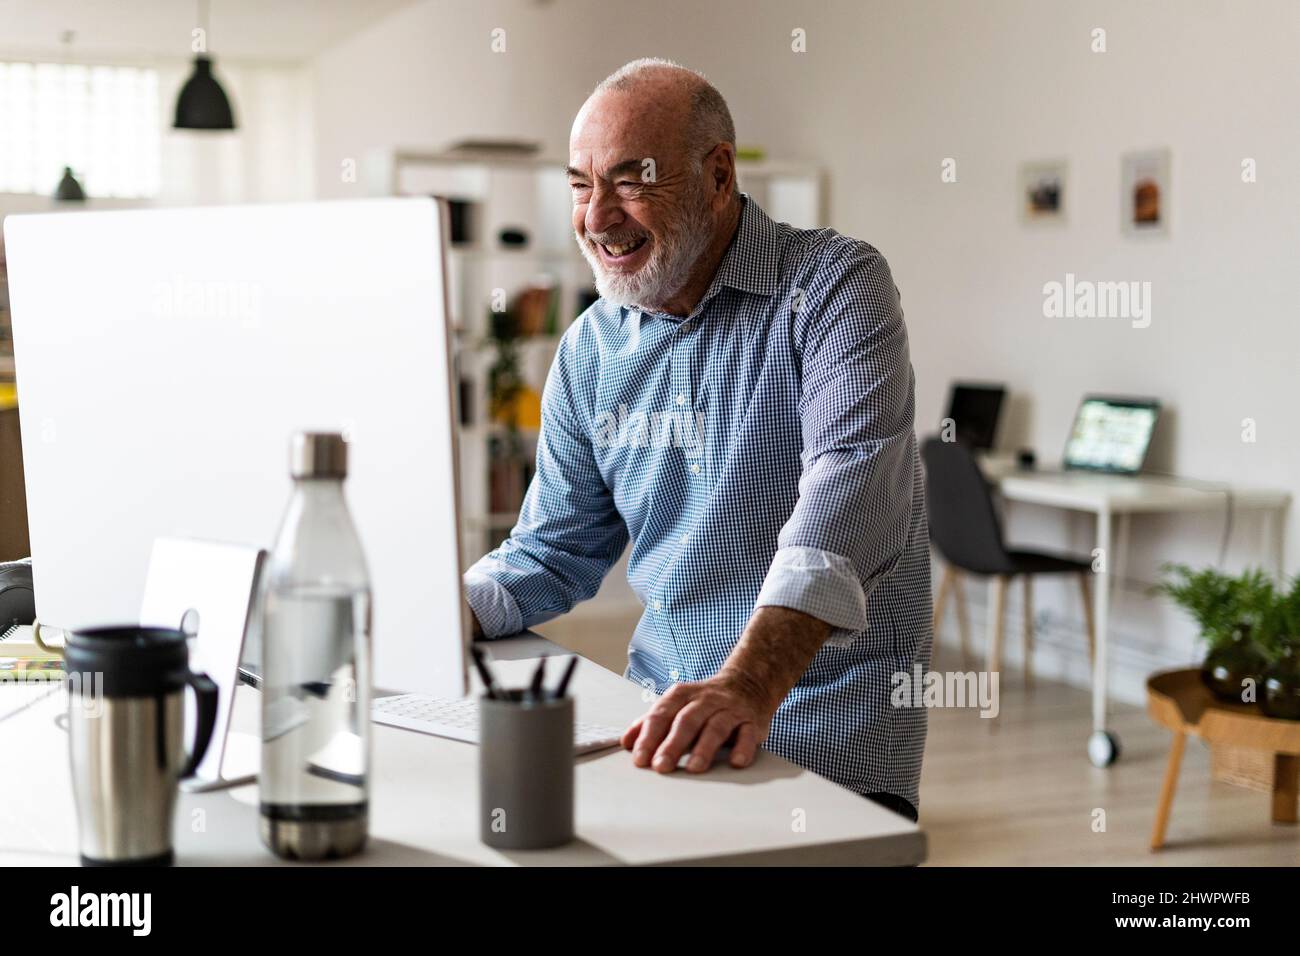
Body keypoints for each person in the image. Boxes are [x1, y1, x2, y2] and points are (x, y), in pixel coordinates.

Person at [464, 58, 932, 820]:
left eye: (630, 181)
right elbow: (552, 549)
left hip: (824, 743)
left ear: (719, 176)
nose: (597, 217)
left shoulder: (833, 287)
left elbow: (844, 514)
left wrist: (748, 684)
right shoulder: (587, 350)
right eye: (581, 185)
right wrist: (447, 611)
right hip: (659, 726)